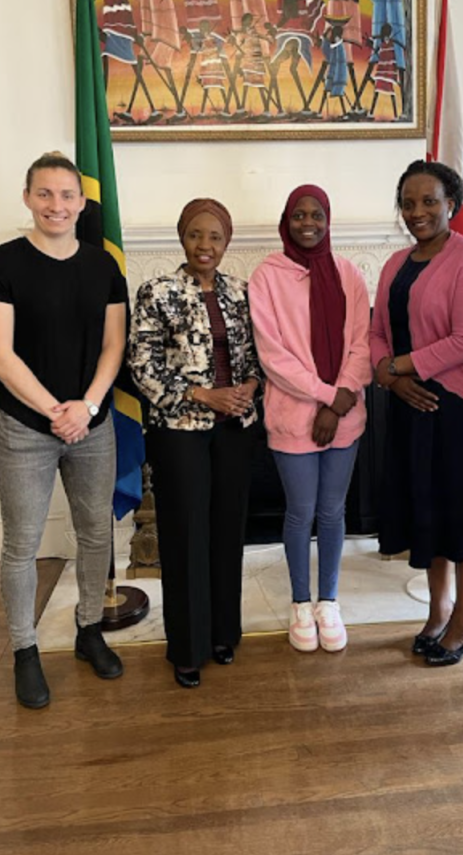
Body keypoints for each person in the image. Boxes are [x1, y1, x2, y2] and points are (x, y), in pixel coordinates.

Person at [0, 153, 127, 710]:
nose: (56, 205)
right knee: (22, 545)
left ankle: (89, 630)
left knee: (94, 534)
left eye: (66, 196)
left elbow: (114, 346)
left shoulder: (103, 266)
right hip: (23, 431)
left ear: (81, 203)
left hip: (94, 425)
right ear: (27, 197)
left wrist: (84, 407)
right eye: (45, 194)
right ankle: (25, 650)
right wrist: (56, 412)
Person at [370, 160, 463, 667]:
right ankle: (439, 609)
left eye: (429, 201)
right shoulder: (394, 264)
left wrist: (399, 366)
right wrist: (391, 378)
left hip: (459, 410)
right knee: (425, 513)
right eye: (408, 203)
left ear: (451, 203)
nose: (418, 212)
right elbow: (376, 333)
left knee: (462, 518)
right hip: (411, 408)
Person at [127, 199, 261, 689]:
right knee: (185, 535)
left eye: (216, 238)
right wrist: (204, 393)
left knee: (227, 532)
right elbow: (142, 365)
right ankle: (187, 648)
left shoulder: (242, 293)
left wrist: (249, 386)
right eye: (196, 235)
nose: (206, 246)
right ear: (182, 237)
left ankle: (224, 633)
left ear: (227, 243)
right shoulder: (156, 292)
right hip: (178, 430)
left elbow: (254, 357)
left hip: (235, 429)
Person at [248, 186, 372, 653]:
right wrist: (325, 397)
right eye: (298, 214)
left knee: (333, 512)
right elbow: (272, 355)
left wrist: (338, 403)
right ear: (287, 219)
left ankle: (328, 601)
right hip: (293, 416)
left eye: (316, 214)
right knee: (300, 513)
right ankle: (300, 603)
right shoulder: (266, 276)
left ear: (328, 219)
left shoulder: (348, 273)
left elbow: (361, 342)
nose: (308, 222)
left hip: (344, 415)